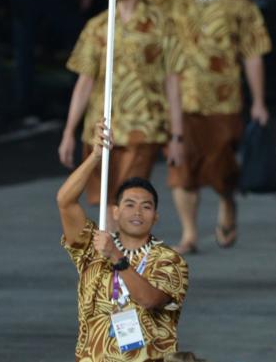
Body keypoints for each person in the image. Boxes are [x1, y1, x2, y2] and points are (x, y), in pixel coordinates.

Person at [120, 0, 271, 253]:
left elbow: (253, 54)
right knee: (181, 172)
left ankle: (228, 204)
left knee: (222, 173)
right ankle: (189, 233)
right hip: (181, 101)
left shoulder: (240, 6)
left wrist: (260, 101)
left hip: (223, 101)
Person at [58, 0, 185, 226]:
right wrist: (69, 132)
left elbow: (173, 80)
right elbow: (84, 81)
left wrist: (177, 135)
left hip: (144, 125)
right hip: (102, 127)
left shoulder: (161, 24)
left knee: (129, 196)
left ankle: (120, 257)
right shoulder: (98, 26)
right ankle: (116, 257)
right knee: (105, 199)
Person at [57, 120, 189, 362]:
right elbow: (65, 201)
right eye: (129, 205)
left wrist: (116, 257)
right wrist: (95, 157)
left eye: (146, 207)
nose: (137, 212)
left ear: (156, 217)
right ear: (115, 212)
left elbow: (149, 300)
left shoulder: (170, 261)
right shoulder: (93, 247)